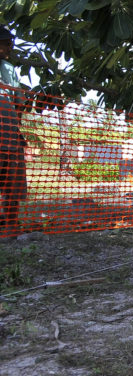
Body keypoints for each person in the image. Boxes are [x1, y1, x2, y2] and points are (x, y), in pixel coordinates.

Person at [0, 26, 27, 235]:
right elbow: (20, 104)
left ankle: (10, 224)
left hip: (8, 133)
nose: (11, 47)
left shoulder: (8, 68)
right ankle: (9, 224)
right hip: (7, 134)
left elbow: (19, 104)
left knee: (12, 179)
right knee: (11, 178)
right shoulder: (7, 69)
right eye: (7, 43)